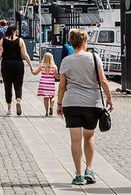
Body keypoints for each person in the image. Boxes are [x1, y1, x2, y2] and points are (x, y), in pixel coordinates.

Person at [55, 29, 115, 185]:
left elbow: (62, 86)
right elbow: (103, 80)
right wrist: (109, 99)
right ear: (84, 42)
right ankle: (89, 169)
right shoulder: (94, 57)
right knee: (89, 136)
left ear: (71, 42)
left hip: (72, 103)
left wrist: (59, 103)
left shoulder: (66, 61)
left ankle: (78, 174)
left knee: (75, 140)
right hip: (92, 103)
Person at [0, 24, 34, 116]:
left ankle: (9, 108)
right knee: (18, 85)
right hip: (18, 65)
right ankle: (18, 100)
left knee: (7, 86)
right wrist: (31, 66)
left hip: (6, 64)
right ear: (14, 31)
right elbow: (25, 55)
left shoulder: (3, 40)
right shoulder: (20, 40)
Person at [33, 52, 59, 117]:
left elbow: (35, 73)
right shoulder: (54, 67)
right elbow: (56, 77)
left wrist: (31, 70)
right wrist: (63, 77)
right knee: (52, 97)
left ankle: (46, 112)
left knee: (45, 98)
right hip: (51, 84)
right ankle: (51, 107)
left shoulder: (41, 66)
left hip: (43, 84)